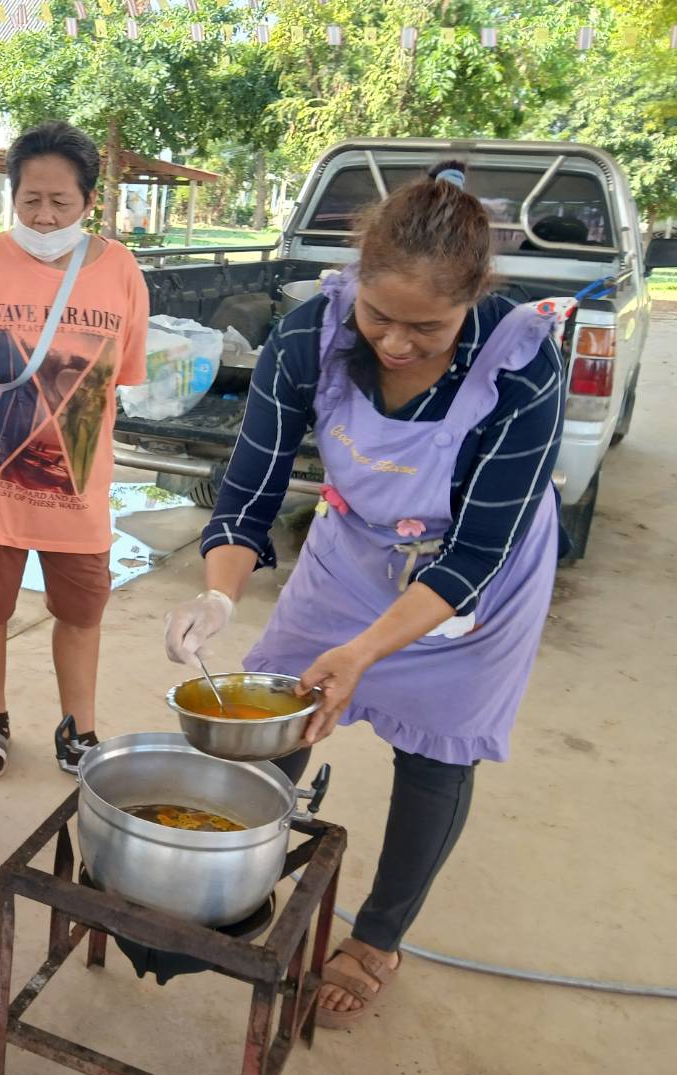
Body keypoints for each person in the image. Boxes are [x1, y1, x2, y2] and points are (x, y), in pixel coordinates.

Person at [164, 161, 565, 1029]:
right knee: (274, 707)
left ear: (472, 299)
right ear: (357, 281)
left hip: (470, 580)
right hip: (351, 550)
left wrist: (362, 654)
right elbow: (248, 493)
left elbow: (474, 552)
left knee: (435, 753)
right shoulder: (306, 337)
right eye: (379, 315)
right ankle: (223, 866)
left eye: (427, 327)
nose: (395, 343)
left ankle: (379, 936)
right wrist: (219, 597)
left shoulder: (520, 364)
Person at [0, 121, 149, 777]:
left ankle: (78, 731)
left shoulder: (121, 271)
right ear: (12, 195)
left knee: (81, 613)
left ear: (89, 201)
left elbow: (119, 378)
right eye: (30, 200)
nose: (45, 216)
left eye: (60, 201)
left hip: (78, 491)